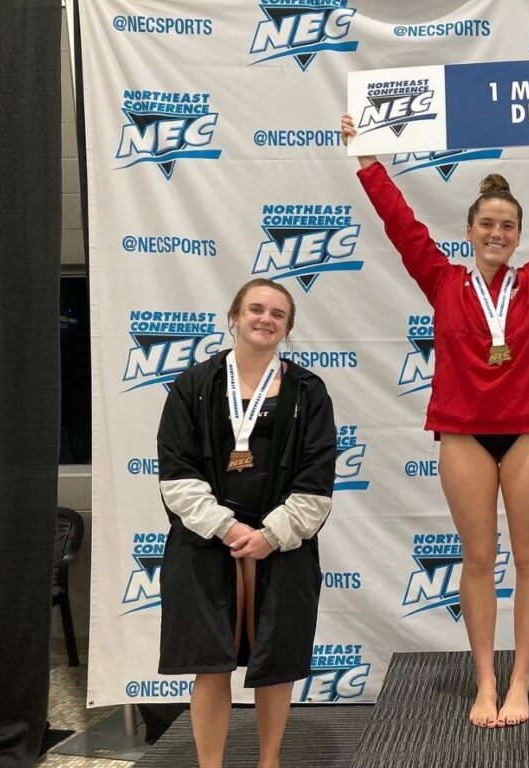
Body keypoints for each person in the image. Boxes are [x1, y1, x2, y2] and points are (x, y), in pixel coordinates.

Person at [341, 108, 529, 727]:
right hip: (464, 436)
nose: (497, 233)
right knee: (477, 560)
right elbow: (401, 225)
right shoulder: (442, 280)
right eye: (487, 224)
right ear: (470, 231)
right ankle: (484, 679)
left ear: (519, 235)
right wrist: (367, 160)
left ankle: (521, 678)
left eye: (507, 225)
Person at [156, 278, 336, 768]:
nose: (265, 319)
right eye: (256, 309)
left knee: (276, 664)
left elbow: (317, 478)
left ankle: (269, 761)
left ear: (288, 329)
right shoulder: (193, 386)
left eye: (278, 314)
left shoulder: (309, 392)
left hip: (283, 545)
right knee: (211, 665)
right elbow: (176, 472)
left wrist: (271, 535)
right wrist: (229, 529)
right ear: (234, 317)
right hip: (205, 542)